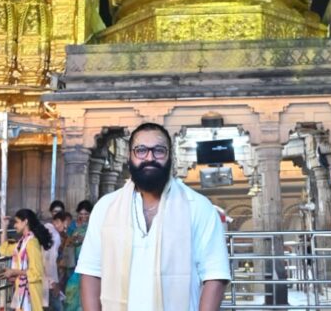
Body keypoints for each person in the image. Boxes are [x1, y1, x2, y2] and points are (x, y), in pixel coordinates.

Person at [76, 123, 230, 311]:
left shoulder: (198, 207)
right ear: (129, 156)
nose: (150, 158)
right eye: (141, 150)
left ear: (170, 156)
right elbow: (91, 272)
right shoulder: (106, 208)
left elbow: (215, 275)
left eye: (159, 151)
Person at [0, 209, 53, 311]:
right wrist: (4, 227)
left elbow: (36, 272)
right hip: (24, 289)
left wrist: (14, 272)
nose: (14, 225)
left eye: (17, 222)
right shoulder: (23, 242)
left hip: (31, 290)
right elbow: (4, 249)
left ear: (25, 222)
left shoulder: (31, 242)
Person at [64, 200, 92, 311]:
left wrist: (84, 239)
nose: (83, 216)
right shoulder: (73, 226)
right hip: (74, 263)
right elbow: (66, 242)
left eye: (86, 214)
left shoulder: (94, 226)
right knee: (72, 289)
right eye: (81, 214)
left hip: (89, 264)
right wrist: (73, 239)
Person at [44, 212, 63, 311]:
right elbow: (50, 260)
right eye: (66, 224)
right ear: (57, 222)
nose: (66, 228)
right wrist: (53, 282)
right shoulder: (55, 235)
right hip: (48, 279)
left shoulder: (46, 229)